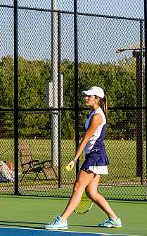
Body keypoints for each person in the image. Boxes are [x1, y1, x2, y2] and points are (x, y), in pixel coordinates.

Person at [45, 86, 122, 230]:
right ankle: (114, 218)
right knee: (91, 192)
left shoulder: (97, 116)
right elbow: (88, 136)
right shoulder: (93, 113)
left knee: (77, 187)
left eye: (89, 96)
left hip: (95, 156)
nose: (86, 98)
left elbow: (86, 139)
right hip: (96, 155)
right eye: (85, 96)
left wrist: (74, 159)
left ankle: (62, 220)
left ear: (97, 99)